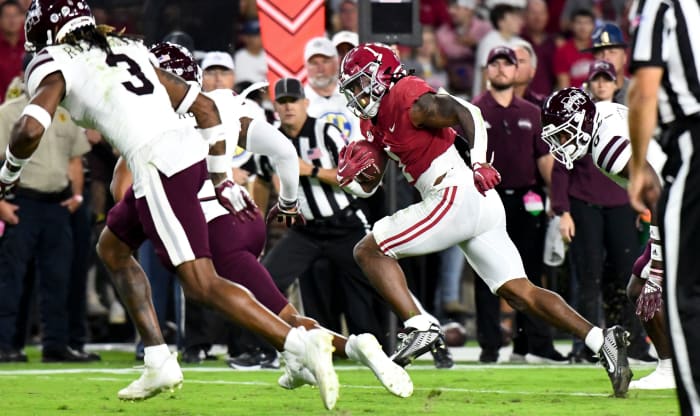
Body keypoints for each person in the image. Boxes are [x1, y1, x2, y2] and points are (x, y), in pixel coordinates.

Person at [0, 1, 339, 409]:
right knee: (112, 248)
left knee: (201, 283)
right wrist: (217, 177)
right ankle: (159, 358)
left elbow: (30, 127)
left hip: (156, 164)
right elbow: (205, 108)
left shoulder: (53, 58)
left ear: (47, 33)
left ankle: (298, 344)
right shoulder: (129, 49)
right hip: (181, 157)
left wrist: (7, 175)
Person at [337, 42, 632, 397]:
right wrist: (357, 180)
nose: (356, 93)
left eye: (359, 83)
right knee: (520, 292)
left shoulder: (406, 95)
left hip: (454, 189)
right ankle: (603, 340)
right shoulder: (373, 118)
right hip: (470, 200)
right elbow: (372, 184)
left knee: (369, 251)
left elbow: (467, 113)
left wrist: (479, 162)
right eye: (351, 86)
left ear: (382, 74)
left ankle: (420, 325)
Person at [126, 42, 414, 398]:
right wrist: (289, 201)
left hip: (215, 222)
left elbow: (125, 186)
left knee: (203, 289)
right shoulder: (227, 104)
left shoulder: (157, 122)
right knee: (281, 307)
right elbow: (282, 153)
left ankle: (292, 347)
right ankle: (349, 349)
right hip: (247, 219)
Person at [541, 87, 674, 389]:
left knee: (654, 285)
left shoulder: (607, 147)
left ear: (581, 123)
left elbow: (654, 193)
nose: (561, 144)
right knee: (638, 287)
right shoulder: (600, 112)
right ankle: (670, 367)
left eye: (563, 134)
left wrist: (658, 262)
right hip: (677, 193)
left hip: (680, 199)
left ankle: (675, 367)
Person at [627, 1, 700, 411]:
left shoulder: (661, 4)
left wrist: (638, 167)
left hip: (693, 141)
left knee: (682, 293)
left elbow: (645, 88)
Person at [472, 45, 564, 364]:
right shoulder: (473, 111)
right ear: (487, 71)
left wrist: (560, 204)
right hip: (487, 199)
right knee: (487, 273)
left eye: (506, 64)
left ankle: (530, 343)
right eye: (494, 64)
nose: (500, 69)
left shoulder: (530, 112)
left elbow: (544, 160)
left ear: (516, 71)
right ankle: (489, 344)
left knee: (531, 272)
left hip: (528, 200)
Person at [0, 55, 93, 363]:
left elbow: (75, 159)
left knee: (58, 277)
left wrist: (77, 195)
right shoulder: (9, 113)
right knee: (11, 278)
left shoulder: (65, 114)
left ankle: (56, 344)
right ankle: (4, 344)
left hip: (57, 204)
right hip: (20, 202)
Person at [581, 22, 629, 105]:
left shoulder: (638, 93)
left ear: (624, 57)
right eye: (600, 53)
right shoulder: (582, 97)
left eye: (612, 52)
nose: (606, 57)